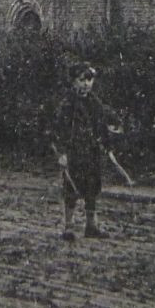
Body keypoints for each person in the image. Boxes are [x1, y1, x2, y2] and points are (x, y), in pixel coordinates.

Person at [51, 63, 123, 240]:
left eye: (89, 80)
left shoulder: (95, 104)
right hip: (74, 152)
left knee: (92, 186)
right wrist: (61, 154)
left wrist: (108, 148)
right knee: (72, 188)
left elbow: (101, 128)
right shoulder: (67, 105)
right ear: (73, 82)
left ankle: (91, 226)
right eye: (81, 80)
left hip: (91, 152)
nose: (86, 84)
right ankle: (68, 227)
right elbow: (58, 131)